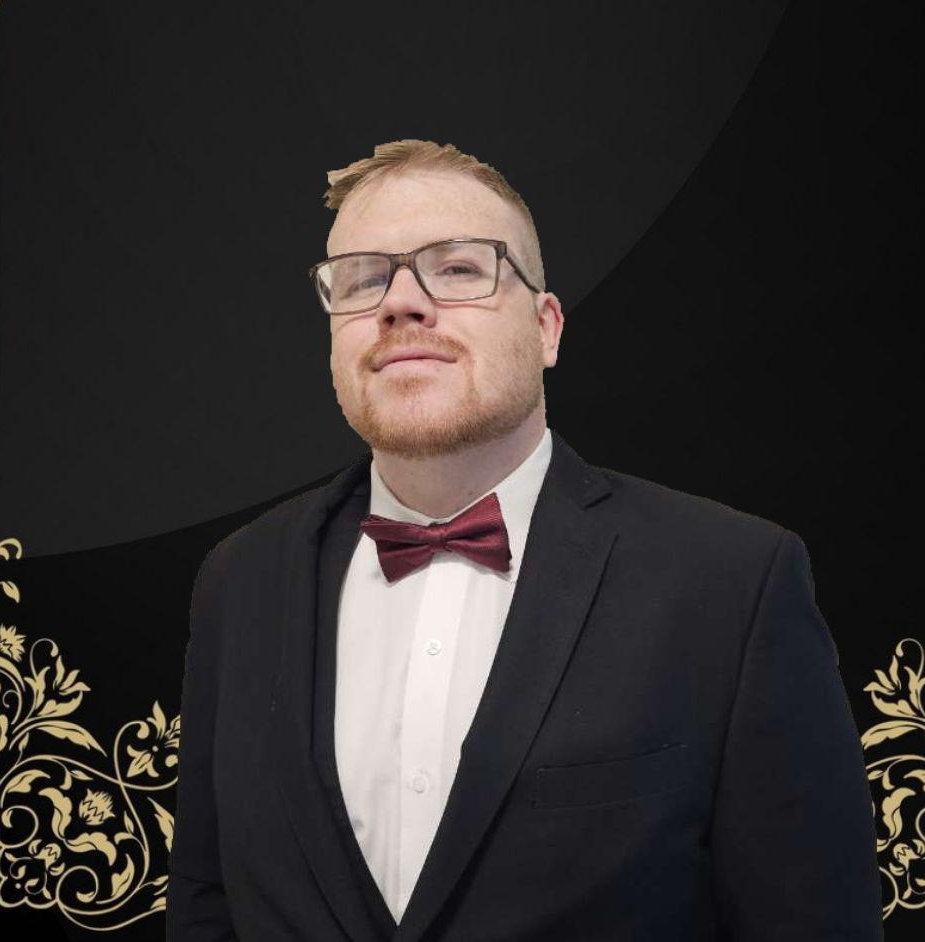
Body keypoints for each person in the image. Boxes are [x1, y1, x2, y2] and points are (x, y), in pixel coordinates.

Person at [165, 139, 883, 941]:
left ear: (546, 328)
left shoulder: (733, 582)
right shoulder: (238, 581)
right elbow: (206, 904)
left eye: (457, 269)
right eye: (364, 280)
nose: (401, 303)